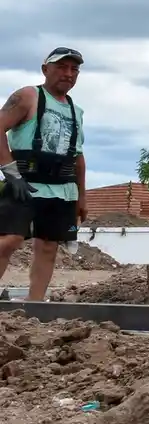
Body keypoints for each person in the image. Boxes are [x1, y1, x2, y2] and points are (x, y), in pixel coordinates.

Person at [0, 47, 88, 302]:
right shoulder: (29, 96)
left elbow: (78, 156)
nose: (68, 74)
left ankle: (35, 307)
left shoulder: (76, 111)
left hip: (62, 188)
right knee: (9, 240)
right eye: (61, 67)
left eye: (74, 69)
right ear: (45, 69)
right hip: (25, 183)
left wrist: (82, 197)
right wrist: (10, 171)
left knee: (49, 246)